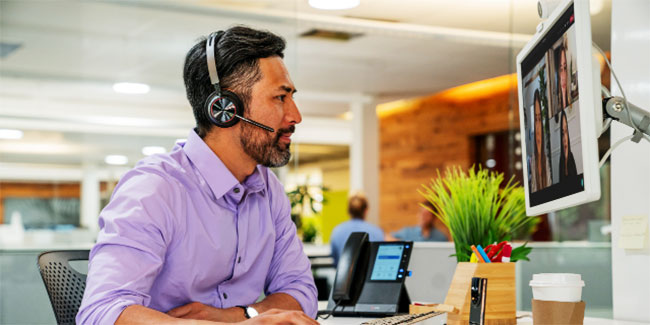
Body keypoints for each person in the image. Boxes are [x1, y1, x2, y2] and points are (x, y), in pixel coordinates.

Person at [77, 26, 318, 325]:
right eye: (280, 98)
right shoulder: (154, 189)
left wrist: (239, 316)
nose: (295, 115)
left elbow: (300, 291)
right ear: (225, 109)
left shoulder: (269, 191)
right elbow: (102, 312)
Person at [329, 193, 384, 266]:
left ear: (348, 211)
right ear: (366, 210)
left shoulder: (337, 231)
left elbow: (335, 262)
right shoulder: (377, 232)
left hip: (344, 276)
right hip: (369, 276)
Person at [386, 201, 450, 242]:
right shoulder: (407, 232)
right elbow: (388, 238)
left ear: (433, 217)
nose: (423, 216)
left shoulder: (441, 237)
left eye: (427, 214)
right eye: (421, 212)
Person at [531, 89, 552, 192]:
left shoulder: (547, 160)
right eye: (535, 120)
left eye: (540, 119)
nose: (538, 126)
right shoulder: (532, 161)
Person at [558, 110, 578, 183]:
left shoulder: (571, 156)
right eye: (563, 133)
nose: (565, 139)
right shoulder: (560, 160)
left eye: (566, 131)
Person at [556, 45, 570, 110]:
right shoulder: (557, 108)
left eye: (565, 68)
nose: (563, 76)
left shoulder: (571, 102)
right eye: (561, 70)